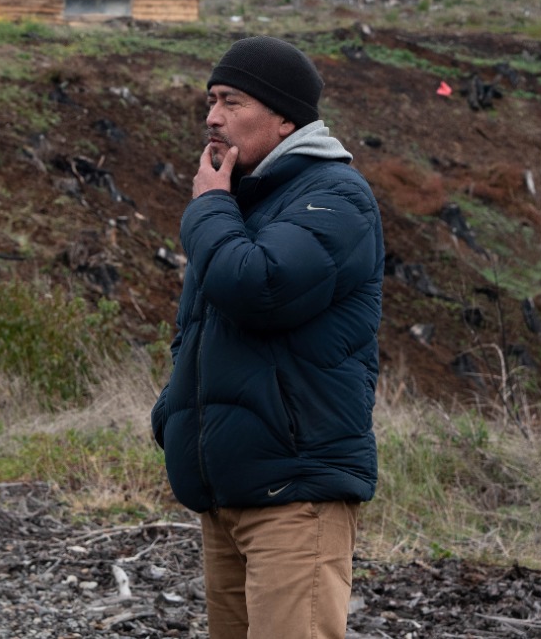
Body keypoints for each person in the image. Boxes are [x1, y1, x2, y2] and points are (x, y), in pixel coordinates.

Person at [150, 36, 383, 639]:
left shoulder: (335, 196)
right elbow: (199, 331)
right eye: (210, 100)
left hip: (295, 493)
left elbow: (259, 288)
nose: (212, 116)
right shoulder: (242, 203)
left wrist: (207, 207)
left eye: (232, 101)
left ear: (284, 118)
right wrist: (176, 411)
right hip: (229, 491)